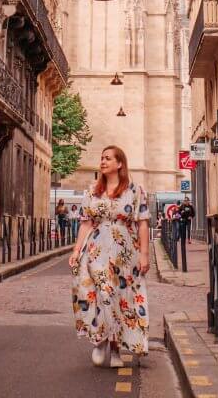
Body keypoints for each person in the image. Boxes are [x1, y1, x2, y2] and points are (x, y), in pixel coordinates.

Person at [69, 146, 150, 367]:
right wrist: (76, 251)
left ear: (120, 163)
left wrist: (144, 254)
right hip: (96, 250)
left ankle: (116, 348)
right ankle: (100, 340)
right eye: (101, 158)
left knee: (120, 298)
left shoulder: (135, 190)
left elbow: (142, 223)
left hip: (125, 253)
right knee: (98, 294)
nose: (103, 162)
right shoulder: (92, 191)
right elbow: (86, 224)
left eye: (108, 158)